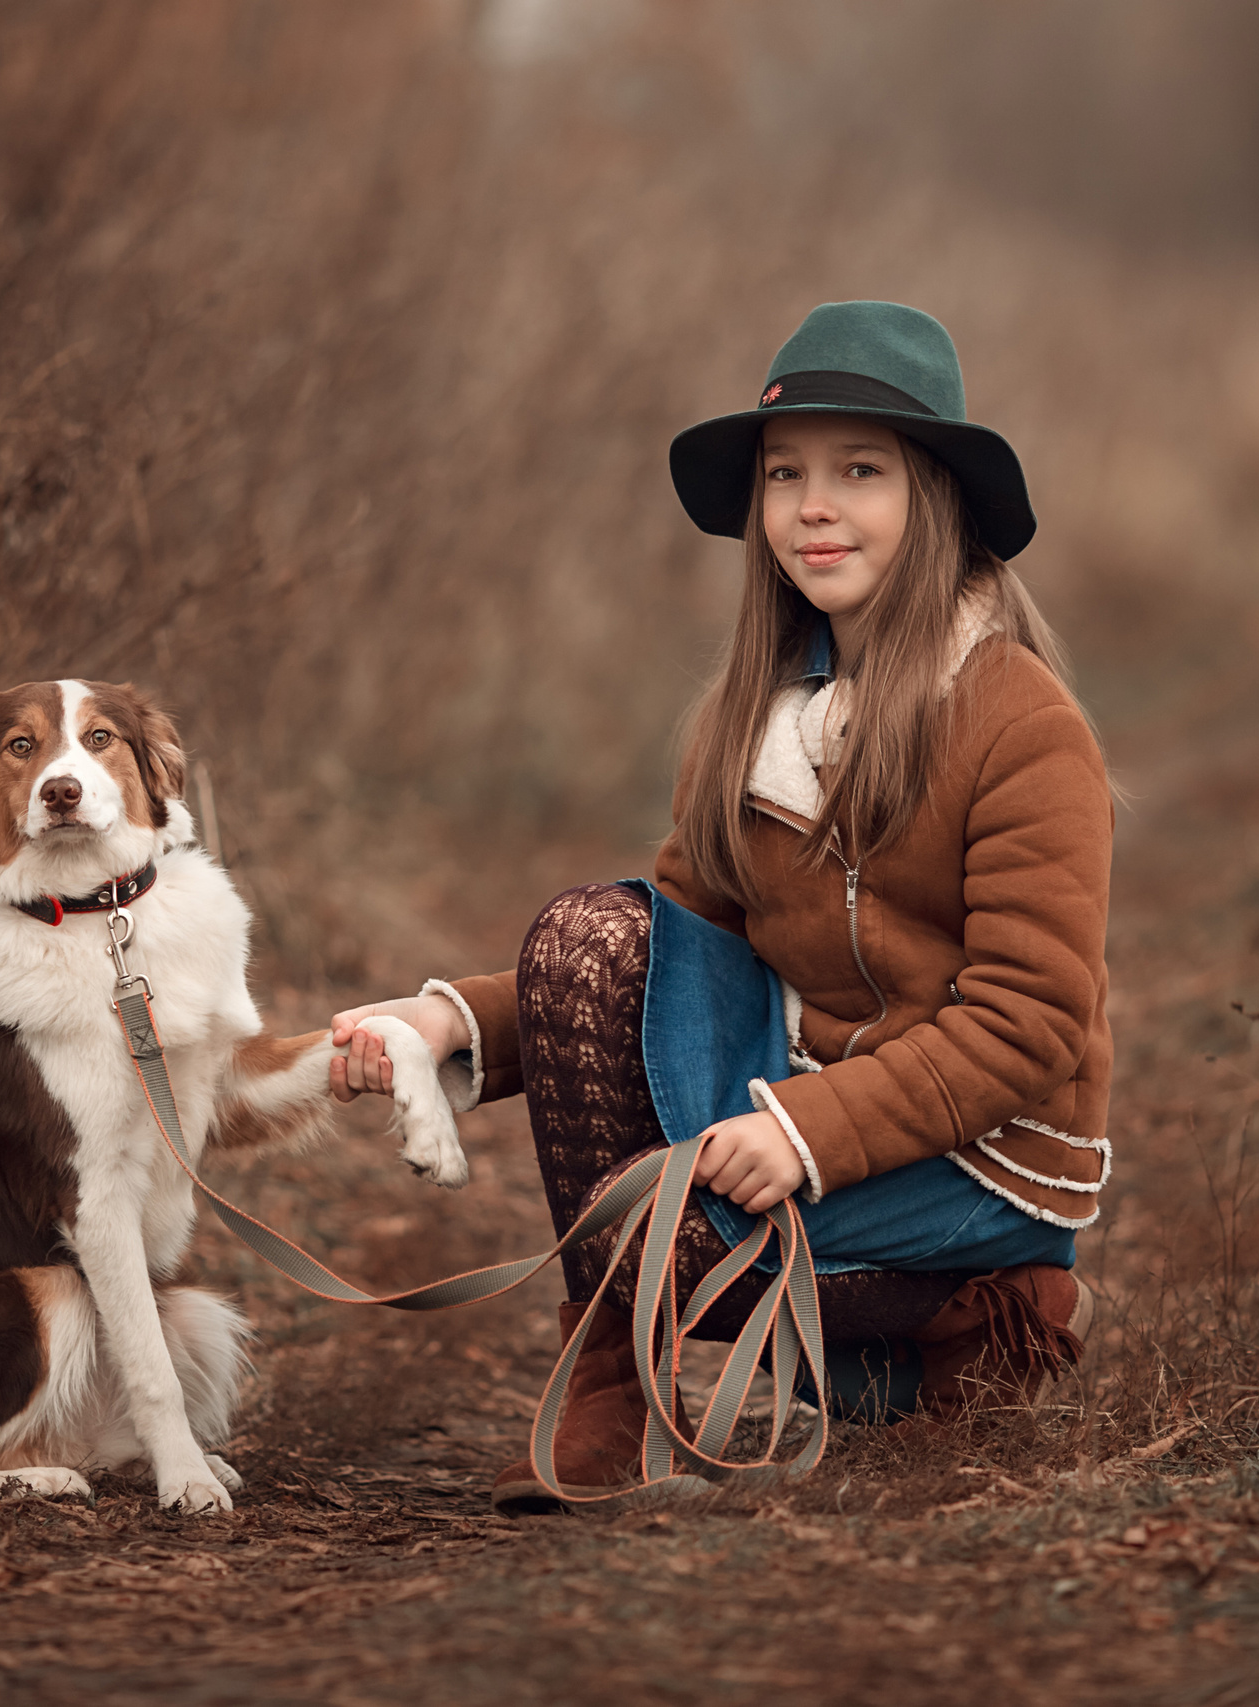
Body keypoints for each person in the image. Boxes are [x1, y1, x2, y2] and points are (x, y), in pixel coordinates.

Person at [330, 301, 1113, 1513]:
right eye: (785, 473)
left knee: (682, 1223)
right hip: (798, 1088)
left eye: (861, 471)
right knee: (592, 933)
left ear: (935, 498)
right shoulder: (751, 723)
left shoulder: (1021, 723)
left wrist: (803, 1135)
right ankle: (618, 1392)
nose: (813, 505)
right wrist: (450, 1029)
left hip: (981, 1151)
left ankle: (985, 1311)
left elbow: (1029, 1023)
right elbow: (677, 946)